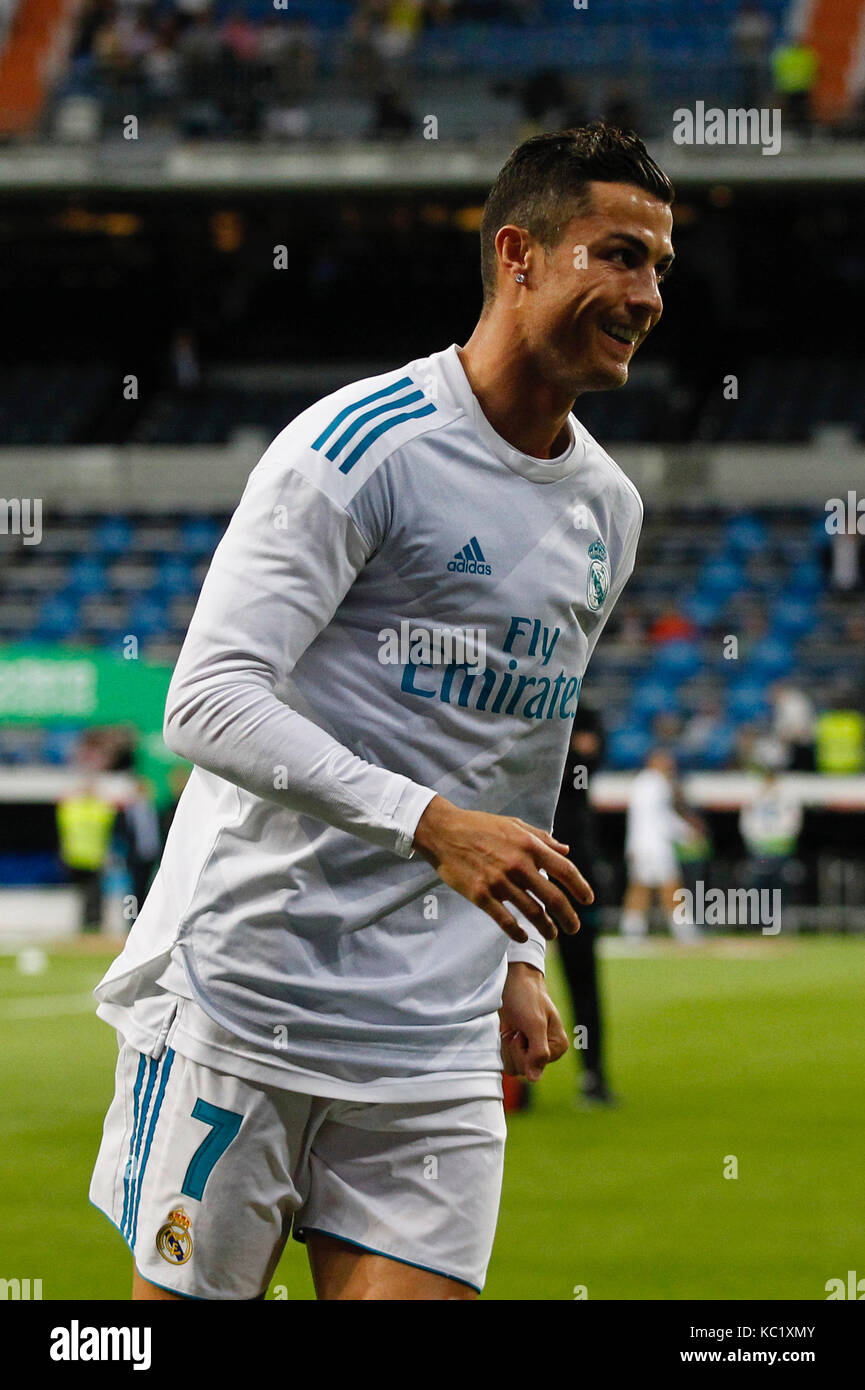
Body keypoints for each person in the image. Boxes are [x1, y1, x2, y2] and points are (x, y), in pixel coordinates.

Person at [89, 122, 674, 1301]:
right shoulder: (360, 447)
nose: (647, 294)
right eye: (616, 256)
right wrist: (429, 824)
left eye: (659, 265)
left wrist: (514, 951)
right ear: (519, 254)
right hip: (250, 1000)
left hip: (431, 1039)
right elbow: (204, 701)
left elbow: (519, 748)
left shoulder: (606, 507)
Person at [553, 705, 616, 1105]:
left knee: (584, 981)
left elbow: (586, 759)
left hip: (574, 868)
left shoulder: (582, 712)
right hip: (527, 859)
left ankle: (593, 1075)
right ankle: (510, 1082)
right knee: (502, 978)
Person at [620, 749, 700, 944]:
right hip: (655, 845)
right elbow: (661, 818)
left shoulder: (641, 783)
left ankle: (632, 930)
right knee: (670, 884)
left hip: (640, 844)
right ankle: (683, 930)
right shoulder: (657, 783)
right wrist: (685, 833)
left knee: (640, 886)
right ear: (654, 762)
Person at [56, 778, 117, 932]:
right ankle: (93, 923)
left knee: (85, 894)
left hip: (77, 857)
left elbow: (63, 806)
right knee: (94, 893)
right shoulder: (98, 809)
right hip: (93, 858)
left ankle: (87, 923)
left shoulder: (73, 809)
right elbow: (110, 811)